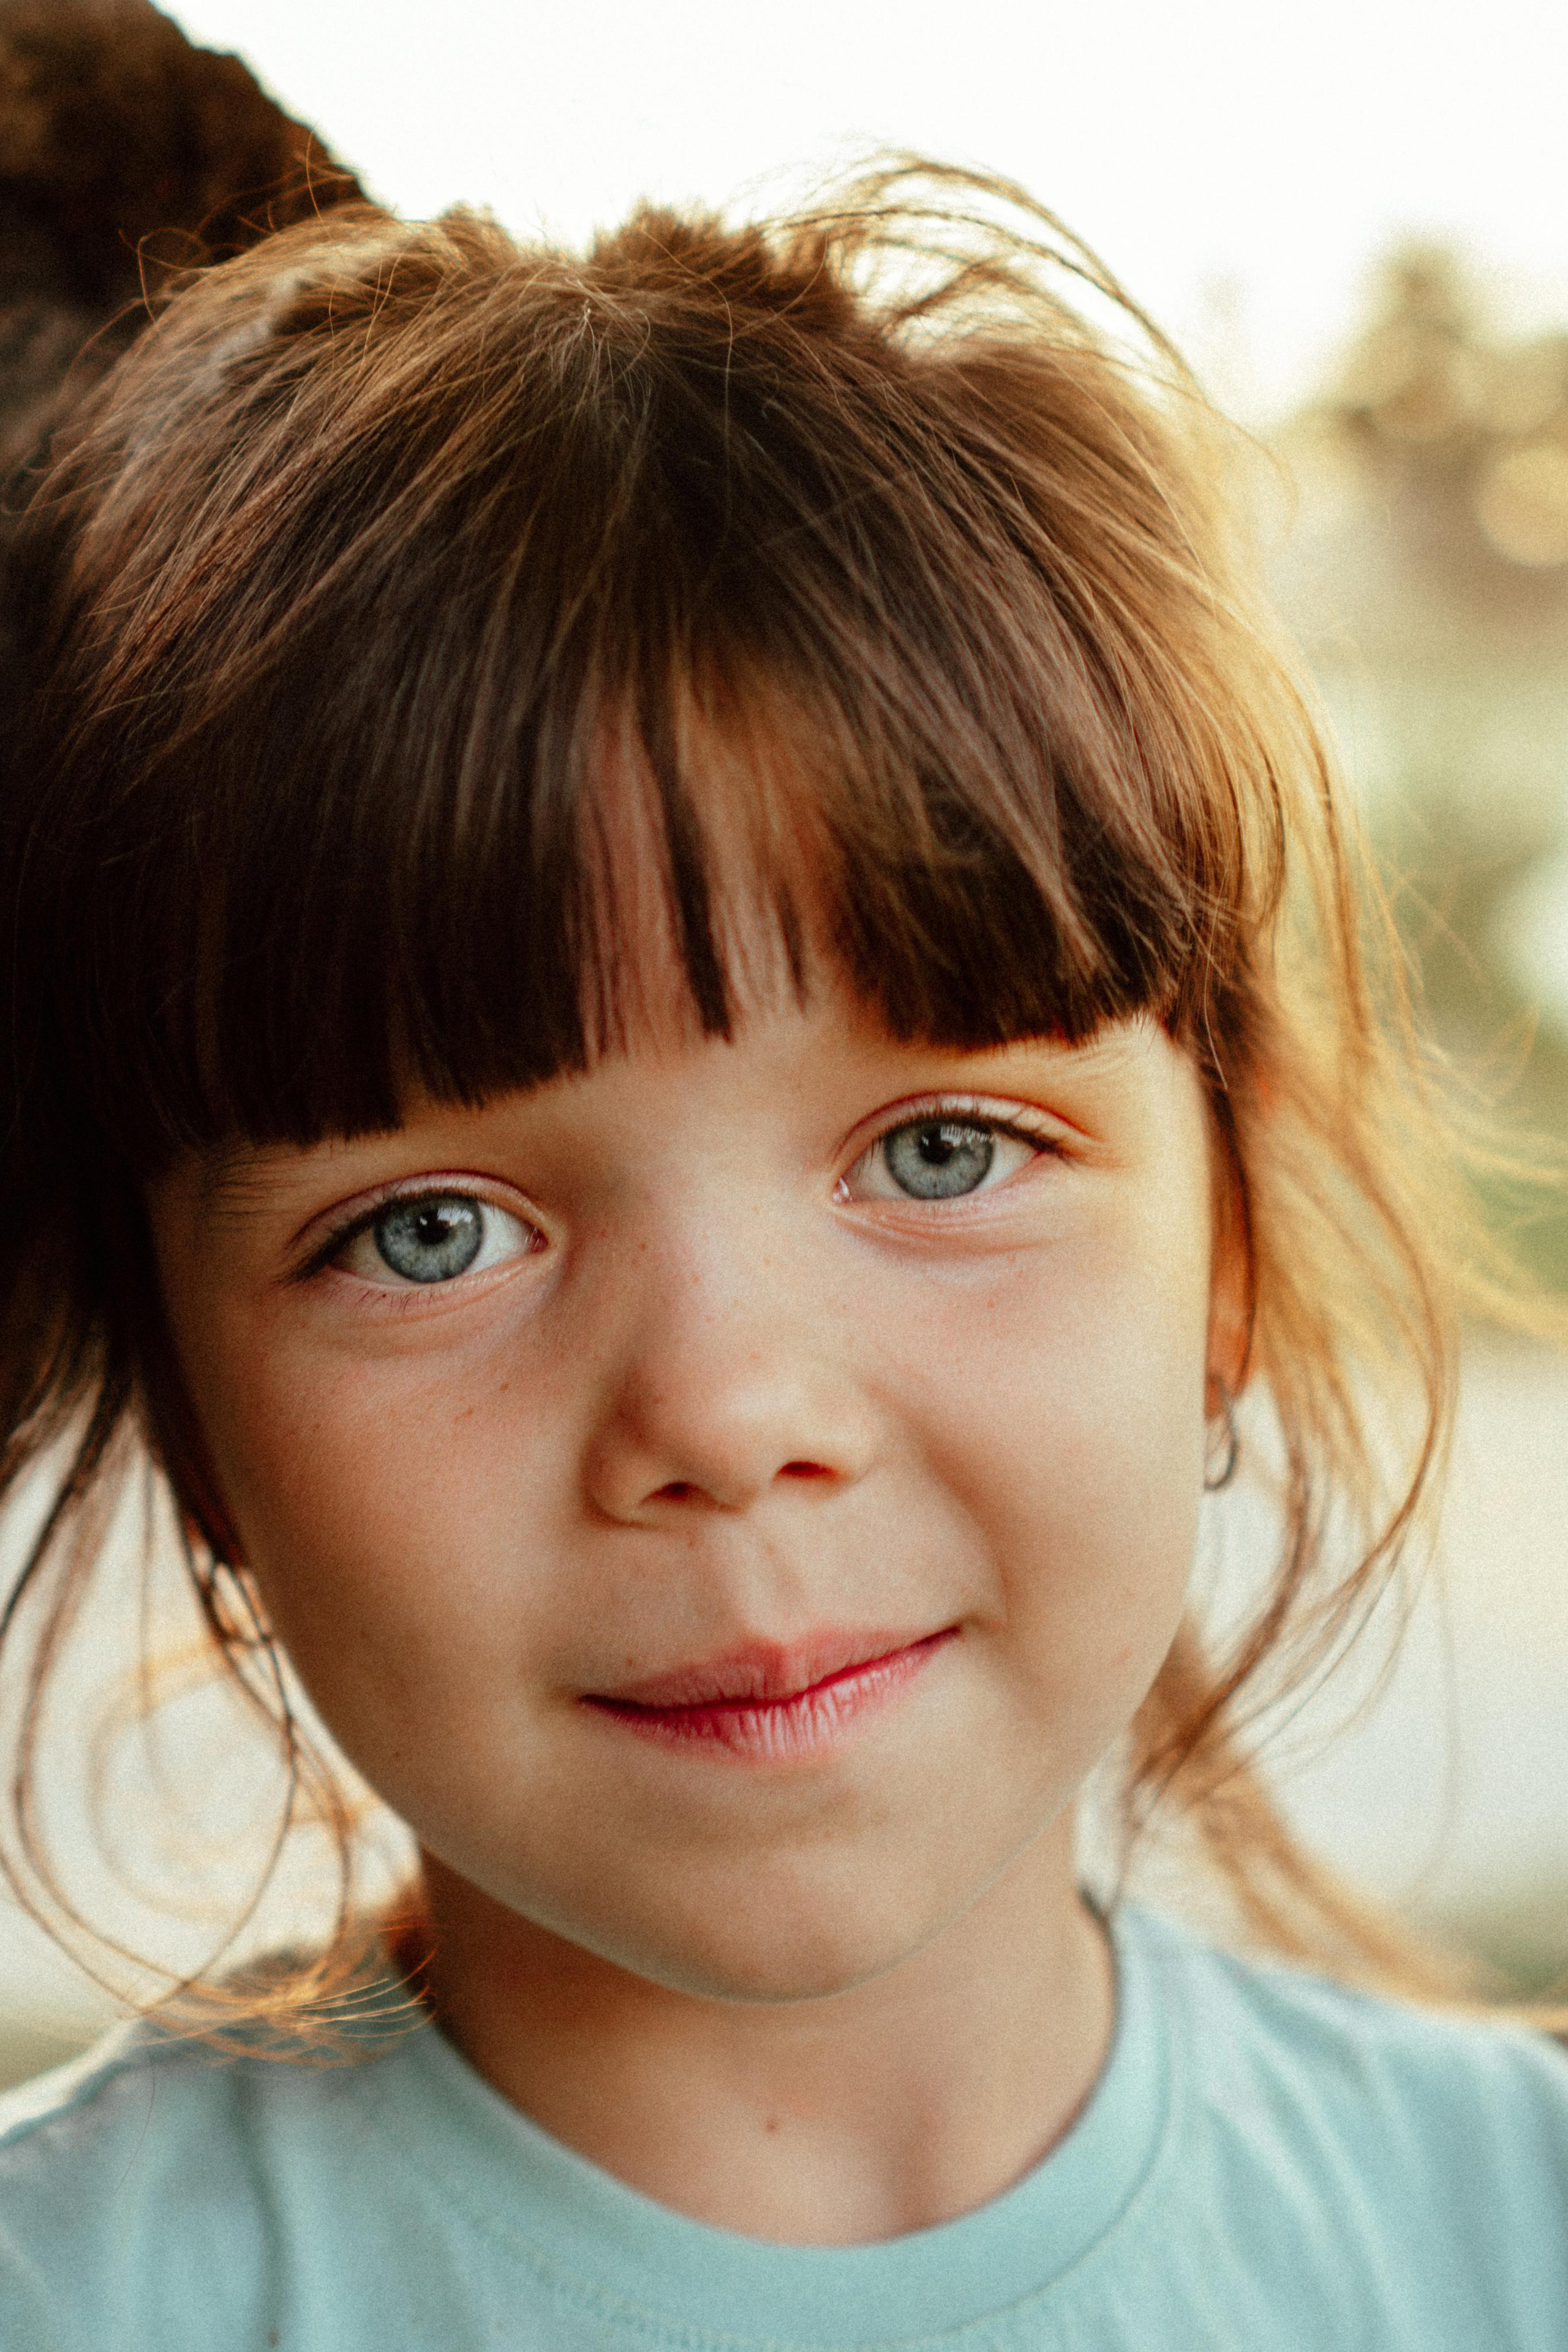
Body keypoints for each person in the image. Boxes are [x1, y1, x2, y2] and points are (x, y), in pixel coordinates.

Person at [0, 160, 1564, 2350]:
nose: (729, 1420)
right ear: (188, 1429)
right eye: (430, 1228)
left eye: (940, 1152)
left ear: (1223, 1255)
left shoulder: (1510, 2239)